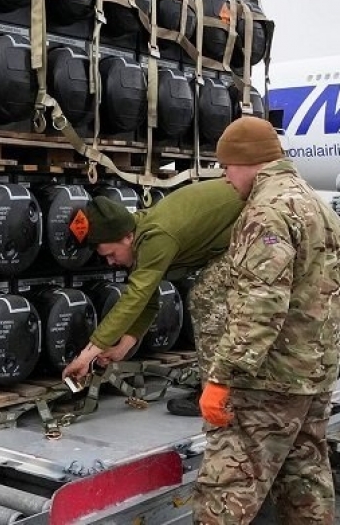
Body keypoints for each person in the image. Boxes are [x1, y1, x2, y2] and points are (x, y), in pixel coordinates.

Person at [193, 117, 340, 524]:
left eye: (226, 167)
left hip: (267, 382)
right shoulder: (315, 203)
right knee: (305, 481)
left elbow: (260, 304)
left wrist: (222, 377)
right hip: (314, 373)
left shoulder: (267, 213)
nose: (224, 178)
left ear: (247, 162)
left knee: (226, 492)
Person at [62, 178, 244, 418]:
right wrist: (121, 348)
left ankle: (220, 394)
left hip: (256, 223)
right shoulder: (139, 236)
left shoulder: (156, 237)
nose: (111, 262)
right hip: (237, 233)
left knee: (206, 298)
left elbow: (135, 297)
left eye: (111, 254)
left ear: (127, 237)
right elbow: (147, 299)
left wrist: (88, 354)